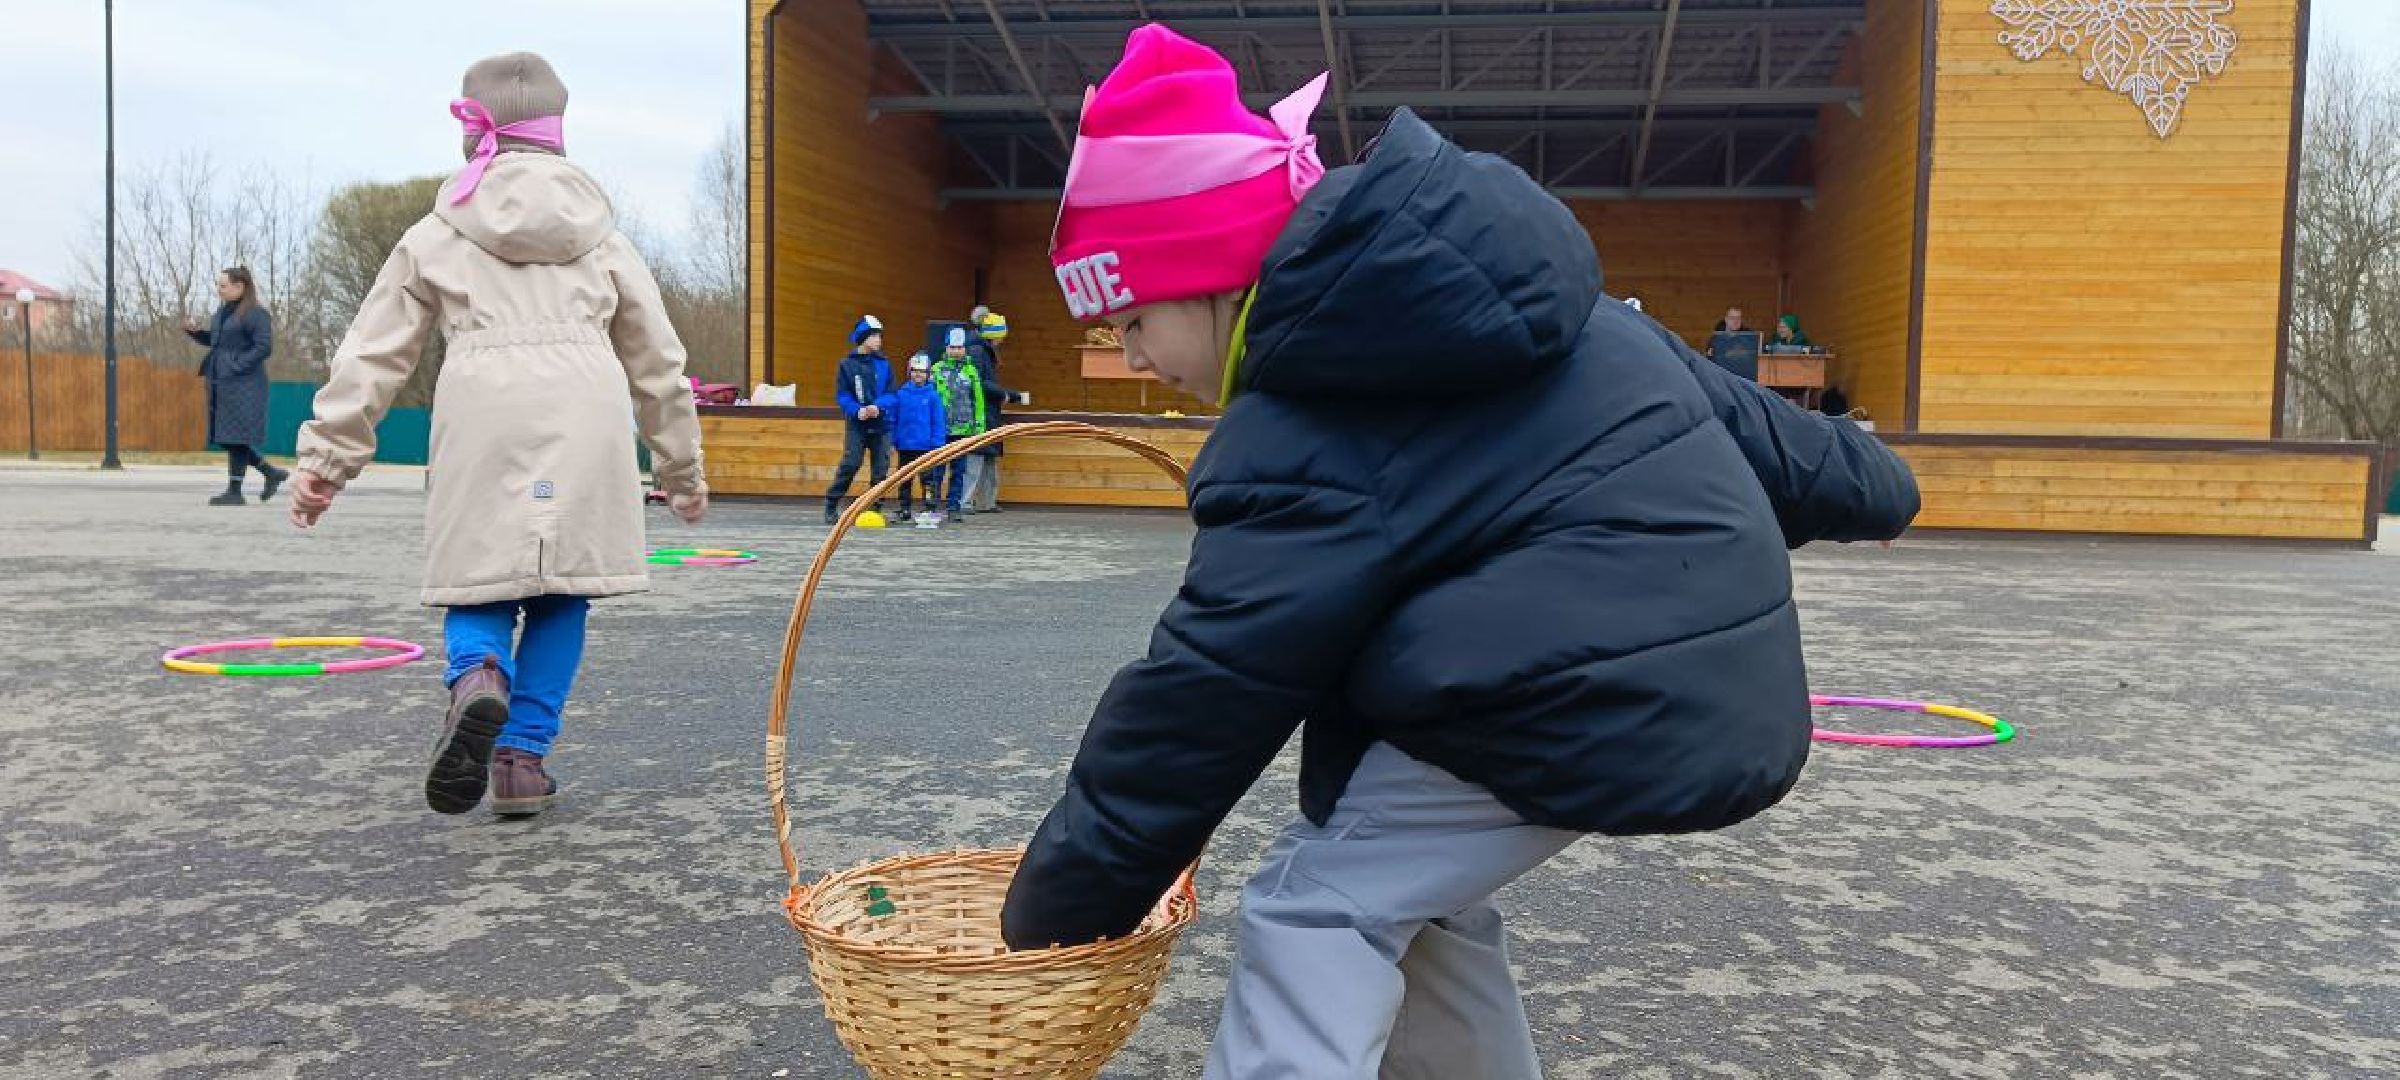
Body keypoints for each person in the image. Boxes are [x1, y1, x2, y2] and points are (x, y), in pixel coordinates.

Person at [996, 25, 1919, 1078]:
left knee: (1317, 906)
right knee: (1416, 896)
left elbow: (1201, 695)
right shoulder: (1568, 315)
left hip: (1584, 698)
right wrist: (1880, 483)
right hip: (1694, 689)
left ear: (1211, 275)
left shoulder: (1302, 430)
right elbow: (1768, 437)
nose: (1128, 357)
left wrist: (1058, 913)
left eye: (1133, 319)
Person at [287, 52, 708, 819]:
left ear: (473, 128)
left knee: (479, 574)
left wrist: (326, 459)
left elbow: (373, 352)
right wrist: (680, 469)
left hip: (480, 404)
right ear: (557, 132)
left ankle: (479, 675)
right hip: (585, 407)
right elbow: (659, 362)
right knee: (563, 593)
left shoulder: (438, 231)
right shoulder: (605, 236)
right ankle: (520, 758)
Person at [184, 266, 285, 506]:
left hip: (246, 384)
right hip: (222, 382)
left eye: (223, 285)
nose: (218, 290)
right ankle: (270, 473)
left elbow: (263, 347)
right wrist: (196, 333)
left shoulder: (255, 314)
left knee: (236, 436)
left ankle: (235, 491)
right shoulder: (222, 313)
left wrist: (236, 365)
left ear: (240, 287)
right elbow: (217, 342)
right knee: (226, 436)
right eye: (218, 285)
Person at [827, 315, 897, 524]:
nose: (879, 340)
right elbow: (842, 395)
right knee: (851, 463)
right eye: (875, 336)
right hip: (857, 423)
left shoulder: (884, 364)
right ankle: (832, 503)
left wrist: (878, 406)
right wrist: (857, 410)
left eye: (880, 336)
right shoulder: (846, 364)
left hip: (881, 424)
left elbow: (892, 393)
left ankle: (874, 506)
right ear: (863, 337)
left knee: (881, 468)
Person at [930, 326, 988, 522]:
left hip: (963, 430)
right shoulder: (936, 370)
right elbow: (930, 399)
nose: (956, 351)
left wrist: (979, 427)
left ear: (965, 349)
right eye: (952, 347)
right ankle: (933, 506)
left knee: (959, 471)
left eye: (959, 347)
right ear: (946, 348)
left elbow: (978, 400)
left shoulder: (971, 371)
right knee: (936, 469)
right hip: (940, 429)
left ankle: (953, 506)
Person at [963, 308, 1016, 513]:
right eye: (1000, 336)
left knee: (987, 457)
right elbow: (980, 382)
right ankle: (966, 501)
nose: (1002, 341)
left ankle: (986, 502)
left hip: (988, 411)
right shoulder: (978, 351)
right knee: (976, 456)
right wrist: (1005, 393)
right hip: (980, 411)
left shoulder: (982, 350)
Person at [890, 352, 948, 523]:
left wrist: (937, 443)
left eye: (922, 371)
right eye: (914, 370)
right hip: (905, 445)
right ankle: (904, 508)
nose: (918, 374)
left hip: (926, 446)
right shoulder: (901, 394)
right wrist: (893, 439)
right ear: (909, 372)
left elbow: (938, 421)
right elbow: (894, 419)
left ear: (928, 374)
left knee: (928, 480)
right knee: (904, 479)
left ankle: (929, 508)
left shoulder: (933, 396)